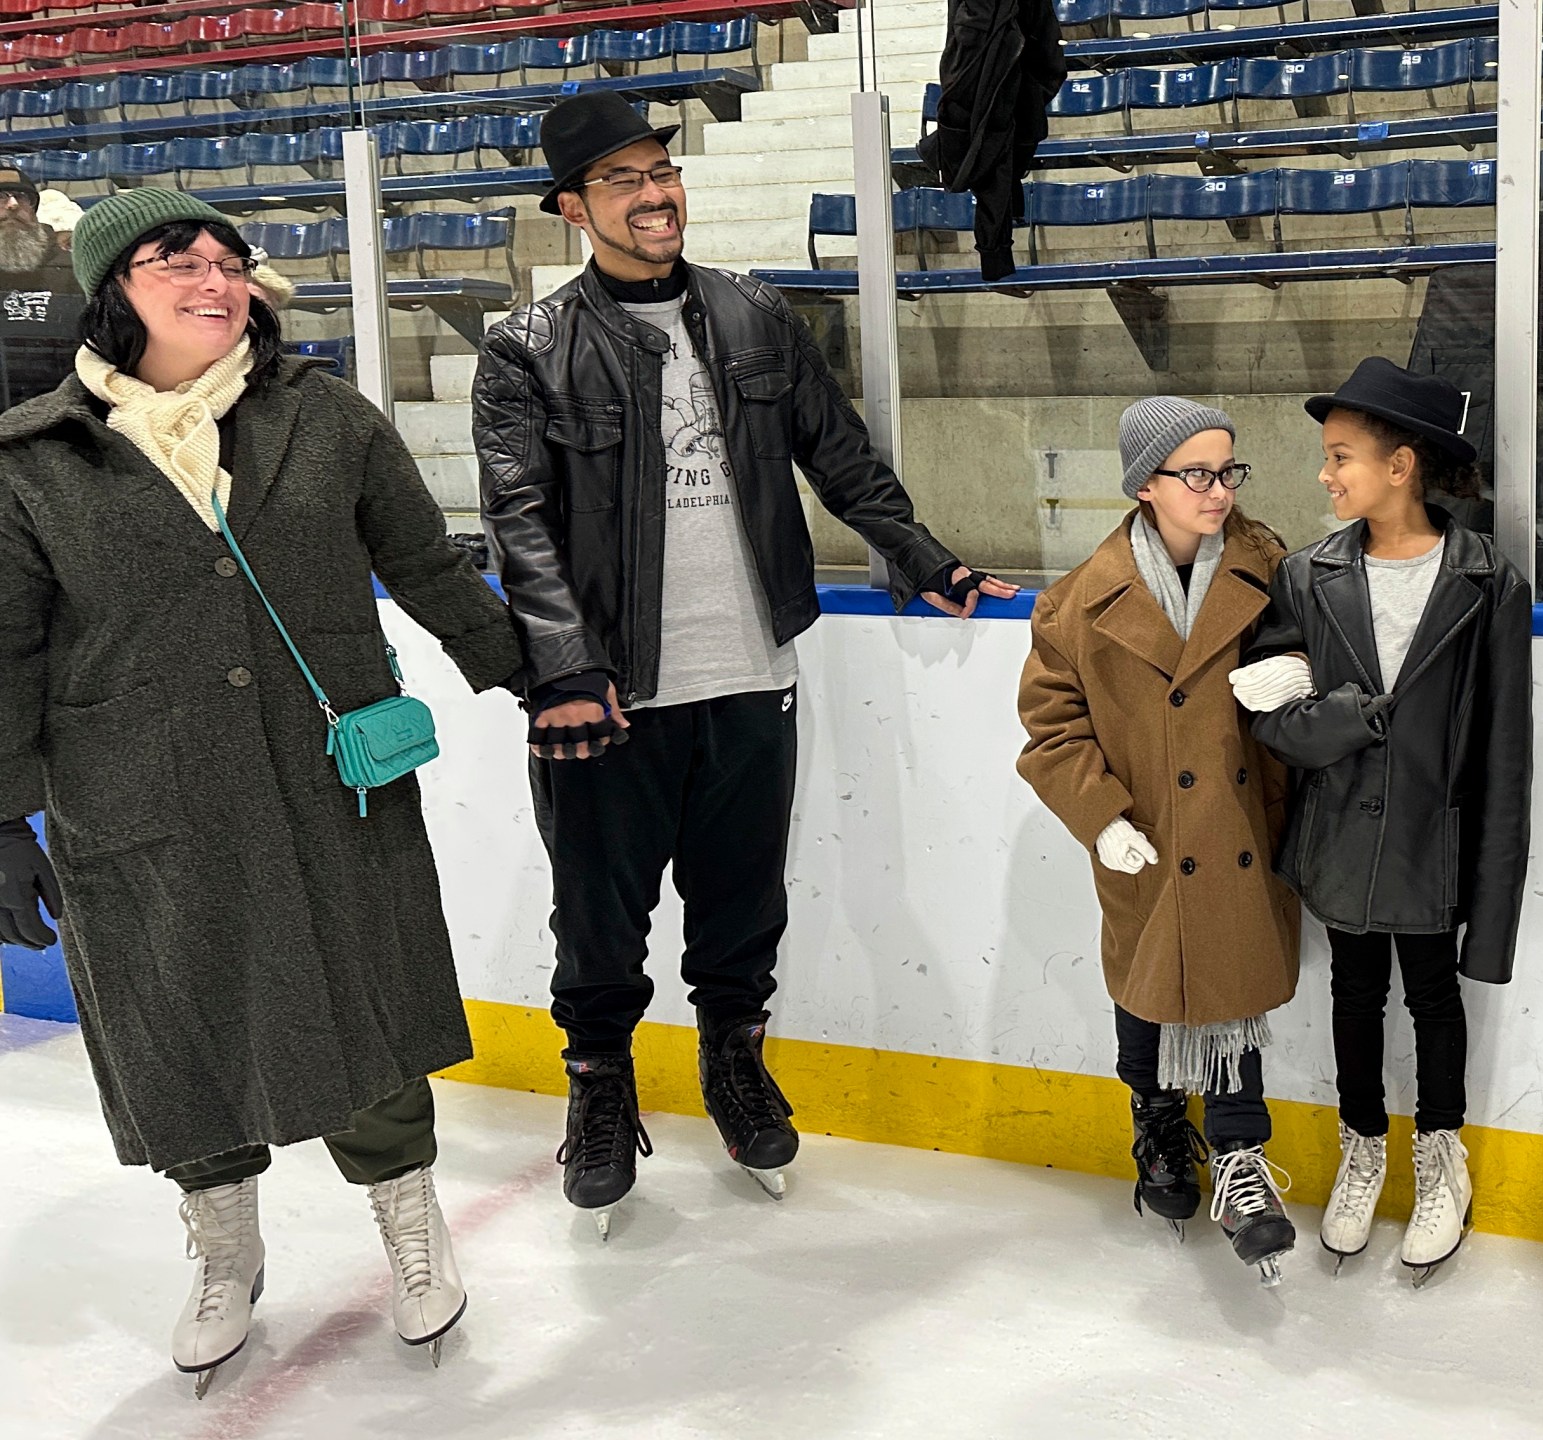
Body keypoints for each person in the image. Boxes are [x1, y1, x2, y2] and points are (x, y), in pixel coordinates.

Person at [0, 188, 524, 1390]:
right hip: (137, 795)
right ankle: (224, 1243)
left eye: (229, 258)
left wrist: (533, 682)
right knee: (178, 1012)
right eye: (174, 259)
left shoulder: (326, 419)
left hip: (320, 773)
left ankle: (407, 1217)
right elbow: (6, 646)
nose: (213, 278)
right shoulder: (33, 460)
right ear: (113, 292)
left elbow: (428, 566)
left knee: (364, 991)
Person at [474, 92, 1020, 1234]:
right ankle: (600, 1088)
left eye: (659, 170)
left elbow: (842, 456)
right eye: (620, 180)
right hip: (610, 691)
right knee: (598, 920)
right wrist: (564, 670)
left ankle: (733, 1059)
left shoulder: (757, 315)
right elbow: (519, 520)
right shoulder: (526, 348)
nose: (653, 193)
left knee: (741, 908)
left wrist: (925, 559)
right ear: (574, 209)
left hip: (749, 671)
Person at [1228, 357, 1534, 1284]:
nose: (1326, 475)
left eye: (1341, 456)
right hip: (1341, 843)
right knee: (1354, 994)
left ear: (1402, 466)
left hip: (1432, 846)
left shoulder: (1487, 580)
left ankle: (1443, 1158)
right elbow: (1269, 710)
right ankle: (1363, 1145)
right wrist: (1346, 716)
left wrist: (1495, 894)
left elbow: (1505, 752)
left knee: (1435, 997)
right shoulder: (1307, 575)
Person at [1016, 397, 1304, 1286]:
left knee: (1234, 981)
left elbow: (1323, 655)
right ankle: (1157, 1125)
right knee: (1145, 983)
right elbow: (1051, 728)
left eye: (1229, 471)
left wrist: (1305, 676)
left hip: (1239, 825)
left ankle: (1241, 1156)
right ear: (1146, 485)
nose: (1220, 490)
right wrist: (1100, 818)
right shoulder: (1076, 603)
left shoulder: (1274, 570)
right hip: (1142, 831)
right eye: (1199, 474)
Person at [0, 171, 84, 411]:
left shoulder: (74, 264)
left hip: (67, 407)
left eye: (22, 197)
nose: (13, 204)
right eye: (1, 196)